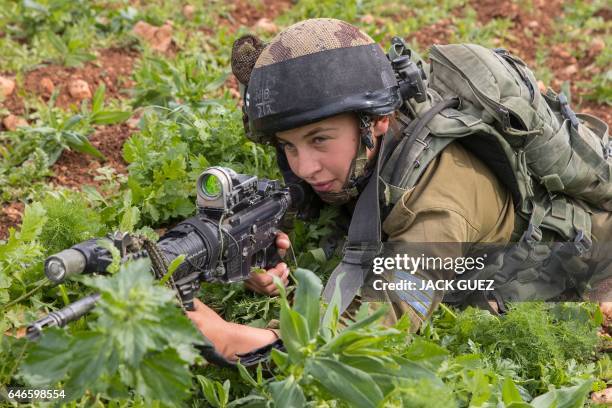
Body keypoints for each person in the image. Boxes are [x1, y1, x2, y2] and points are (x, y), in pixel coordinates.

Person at [186, 18, 612, 361]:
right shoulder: (367, 140)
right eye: (288, 146)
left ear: (379, 122)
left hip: (587, 256)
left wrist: (234, 339)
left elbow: (380, 323)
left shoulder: (439, 202)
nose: (304, 167)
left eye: (319, 140)